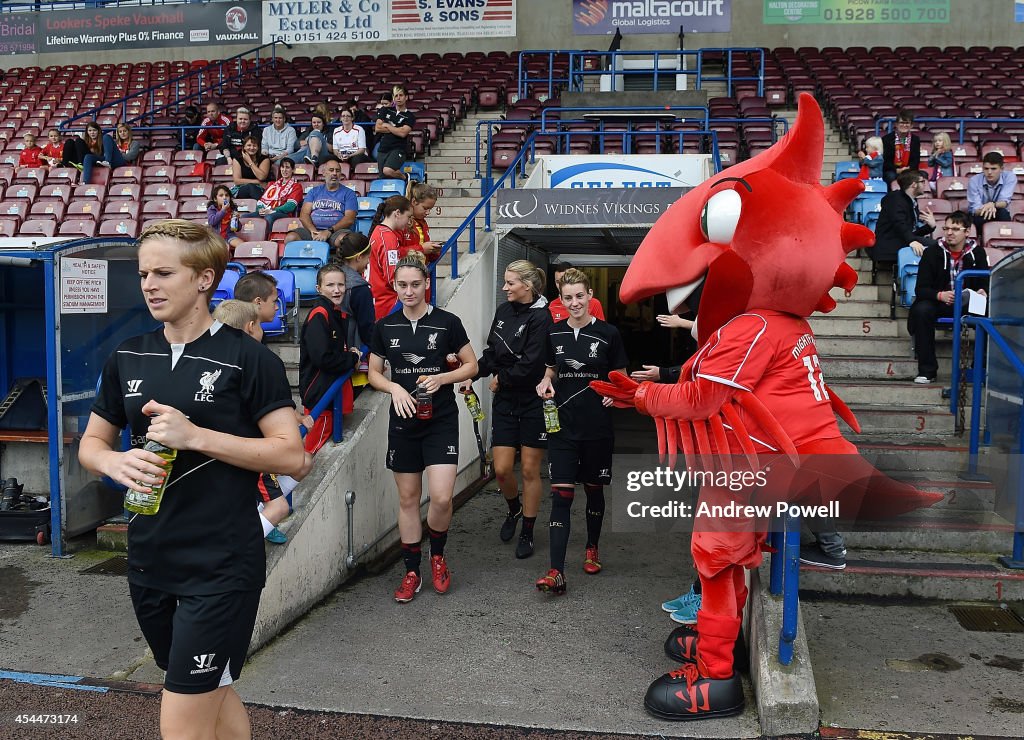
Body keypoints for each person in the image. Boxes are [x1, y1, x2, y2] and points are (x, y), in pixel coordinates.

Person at [78, 219, 305, 739]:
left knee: (181, 720)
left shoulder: (250, 359)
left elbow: (292, 458)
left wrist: (197, 436)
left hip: (221, 565)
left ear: (204, 279)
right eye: (143, 274)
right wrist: (113, 463)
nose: (149, 285)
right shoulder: (128, 354)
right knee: (214, 692)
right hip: (151, 558)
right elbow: (92, 444)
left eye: (163, 273)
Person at [368, 255, 479, 602]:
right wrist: (394, 387)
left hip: (441, 419)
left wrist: (442, 378)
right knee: (408, 499)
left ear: (426, 283)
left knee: (443, 496)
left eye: (415, 284)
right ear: (395, 286)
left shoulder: (448, 322)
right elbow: (373, 373)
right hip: (403, 421)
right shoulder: (385, 326)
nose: (409, 291)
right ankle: (412, 571)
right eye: (402, 285)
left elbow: (472, 365)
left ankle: (438, 556)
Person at [534, 269, 627, 594]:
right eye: (568, 297)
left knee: (593, 490)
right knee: (561, 496)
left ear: (590, 297)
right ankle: (556, 571)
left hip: (597, 427)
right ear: (561, 299)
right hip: (561, 426)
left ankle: (591, 547)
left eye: (579, 296)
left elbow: (621, 377)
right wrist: (546, 382)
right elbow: (550, 371)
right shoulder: (554, 333)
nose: (574, 302)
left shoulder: (608, 333)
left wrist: (614, 393)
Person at [463, 260, 553, 559]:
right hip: (505, 400)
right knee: (501, 469)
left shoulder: (543, 318)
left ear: (527, 285)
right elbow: (492, 353)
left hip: (532, 400)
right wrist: (470, 373)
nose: (505, 288)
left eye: (510, 283)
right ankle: (514, 509)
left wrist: (502, 378)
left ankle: (527, 529)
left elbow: (532, 364)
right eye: (504, 282)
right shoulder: (503, 312)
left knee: (529, 469)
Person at [211, 299, 310, 545]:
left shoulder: (214, 360)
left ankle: (254, 510)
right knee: (279, 508)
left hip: (233, 450)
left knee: (304, 462)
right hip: (253, 451)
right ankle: (238, 547)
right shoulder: (261, 362)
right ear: (251, 327)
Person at [908, 209, 989, 384]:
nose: (949, 233)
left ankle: (978, 370)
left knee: (990, 311)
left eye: (955, 229)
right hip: (939, 302)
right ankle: (927, 370)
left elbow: (984, 281)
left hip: (967, 303)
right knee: (922, 311)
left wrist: (983, 290)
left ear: (967, 232)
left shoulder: (978, 253)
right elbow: (921, 289)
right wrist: (940, 295)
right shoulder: (932, 252)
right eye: (946, 228)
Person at [299, 263, 361, 454]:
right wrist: (351, 358)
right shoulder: (320, 314)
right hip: (320, 395)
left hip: (326, 394)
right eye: (330, 285)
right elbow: (323, 358)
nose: (336, 290)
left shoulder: (333, 312)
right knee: (311, 454)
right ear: (319, 288)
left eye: (341, 285)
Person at [286, 159, 358, 249]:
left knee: (343, 240)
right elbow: (304, 215)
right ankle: (296, 263)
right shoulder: (313, 192)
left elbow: (349, 219)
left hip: (337, 231)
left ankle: (337, 263)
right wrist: (313, 231)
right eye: (331, 170)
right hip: (314, 231)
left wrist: (329, 231)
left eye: (338, 171)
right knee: (290, 238)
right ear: (324, 173)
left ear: (340, 175)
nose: (335, 173)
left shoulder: (349, 193)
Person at [871, 169, 936, 265]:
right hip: (888, 246)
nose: (925, 185)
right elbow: (899, 224)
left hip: (900, 241)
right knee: (935, 247)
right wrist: (911, 241)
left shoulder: (910, 201)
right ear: (914, 184)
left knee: (937, 246)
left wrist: (930, 227)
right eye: (922, 181)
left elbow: (910, 232)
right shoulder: (895, 200)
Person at [337, 232, 375, 395]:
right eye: (368, 258)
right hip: (355, 350)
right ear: (359, 257)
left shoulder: (331, 279)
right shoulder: (359, 288)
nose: (368, 263)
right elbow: (367, 327)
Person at [368, 195, 415, 319]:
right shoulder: (388, 237)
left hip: (376, 298)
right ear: (398, 213)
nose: (409, 221)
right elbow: (392, 276)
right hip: (387, 302)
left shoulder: (378, 231)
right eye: (408, 217)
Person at [967, 151, 1015, 243]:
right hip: (980, 214)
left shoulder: (1009, 177)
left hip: (999, 211)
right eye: (986, 168)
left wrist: (992, 204)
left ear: (1001, 169)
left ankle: (1006, 242)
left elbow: (1004, 202)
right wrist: (988, 207)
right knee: (978, 219)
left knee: (1003, 213)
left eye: (993, 169)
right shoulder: (974, 180)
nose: (989, 172)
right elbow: (975, 209)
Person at [375, 84, 416, 181]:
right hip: (383, 148)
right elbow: (378, 128)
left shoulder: (410, 116)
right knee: (383, 177)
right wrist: (397, 128)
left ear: (406, 97)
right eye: (396, 96)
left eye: (401, 95)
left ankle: (405, 177)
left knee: (387, 171)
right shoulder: (385, 110)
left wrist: (388, 125)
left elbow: (403, 133)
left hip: (398, 149)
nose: (398, 98)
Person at [256, 158, 304, 230]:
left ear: (293, 170)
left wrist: (273, 210)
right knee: (246, 217)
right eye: (282, 167)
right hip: (267, 211)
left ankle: (266, 239)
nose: (284, 170)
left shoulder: (296, 186)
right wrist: (260, 209)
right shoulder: (272, 184)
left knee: (269, 217)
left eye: (287, 167)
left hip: (284, 214)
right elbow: (260, 202)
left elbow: (290, 206)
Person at [881, 109, 921, 186]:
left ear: (911, 125)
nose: (904, 125)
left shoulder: (915, 139)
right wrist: (897, 170)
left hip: (909, 170)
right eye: (902, 122)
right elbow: (885, 161)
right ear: (896, 124)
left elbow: (916, 160)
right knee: (890, 176)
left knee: (922, 176)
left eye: (907, 123)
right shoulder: (886, 139)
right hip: (892, 170)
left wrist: (908, 169)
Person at [207, 185, 245, 252]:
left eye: (227, 195)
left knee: (242, 246)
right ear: (215, 199)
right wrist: (223, 210)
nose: (224, 197)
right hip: (216, 237)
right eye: (221, 196)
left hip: (229, 235)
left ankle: (237, 261)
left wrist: (236, 219)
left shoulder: (233, 209)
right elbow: (212, 222)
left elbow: (237, 229)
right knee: (225, 248)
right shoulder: (212, 208)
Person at [231, 135, 270, 200]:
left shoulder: (264, 159)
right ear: (244, 147)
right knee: (250, 187)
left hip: (260, 189)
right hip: (242, 188)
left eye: (254, 146)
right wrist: (257, 182)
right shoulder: (237, 159)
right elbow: (237, 181)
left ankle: (262, 205)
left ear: (258, 148)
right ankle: (262, 205)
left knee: (252, 188)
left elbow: (261, 177)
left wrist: (250, 162)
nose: (252, 148)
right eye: (249, 145)